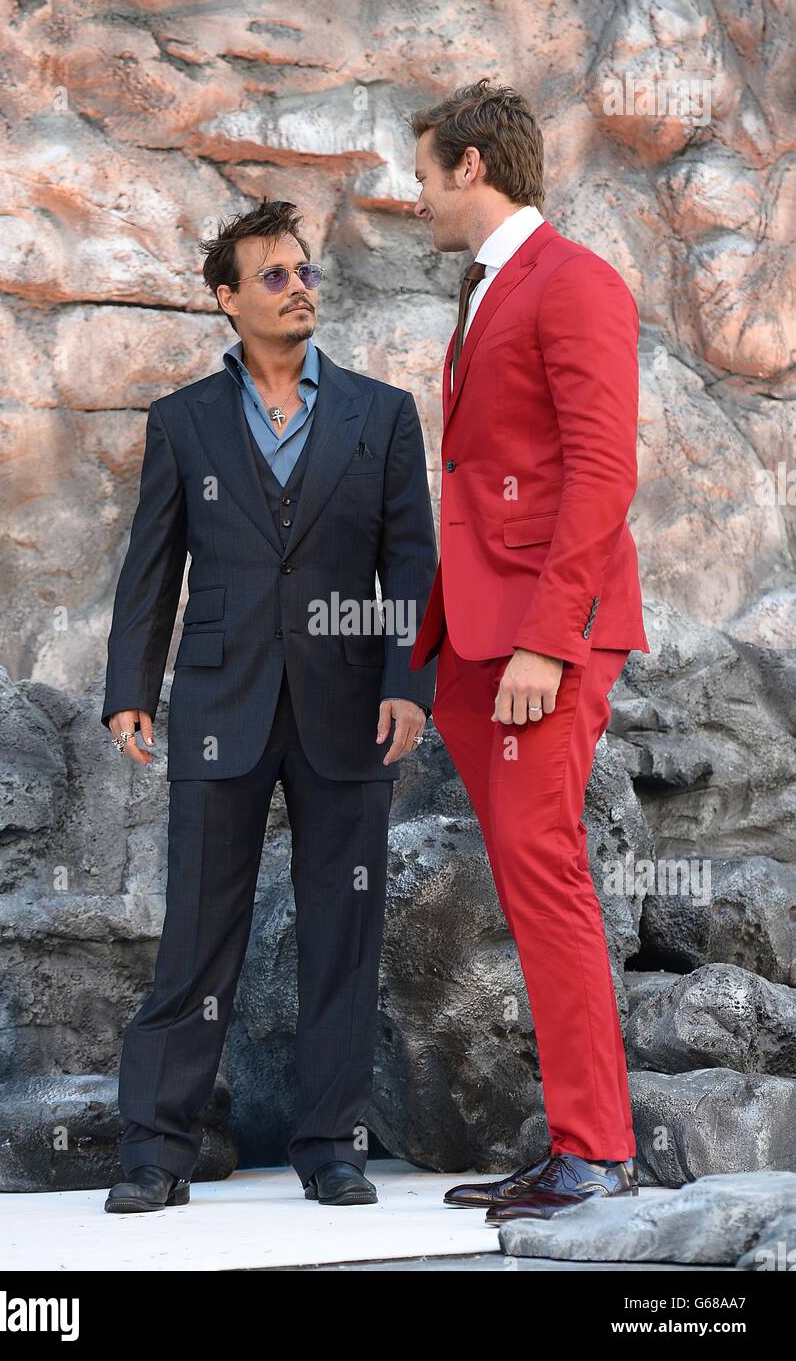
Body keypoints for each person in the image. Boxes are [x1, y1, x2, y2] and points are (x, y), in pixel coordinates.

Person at [101, 198, 437, 1212]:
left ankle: (331, 1144)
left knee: (345, 928)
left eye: (306, 272)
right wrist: (130, 687)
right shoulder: (184, 421)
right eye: (277, 276)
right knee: (198, 932)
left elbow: (411, 563)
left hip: (348, 706)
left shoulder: (380, 414)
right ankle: (157, 1146)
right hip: (218, 697)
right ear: (228, 299)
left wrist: (406, 683)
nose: (300, 289)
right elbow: (150, 566)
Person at [408, 80, 650, 1223]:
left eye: (421, 176)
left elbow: (602, 475)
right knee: (528, 879)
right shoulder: (487, 289)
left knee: (546, 880)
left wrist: (547, 642)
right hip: (476, 636)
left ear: (469, 166)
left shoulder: (576, 281)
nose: (415, 200)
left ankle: (595, 1152)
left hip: (540, 640)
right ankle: (574, 1144)